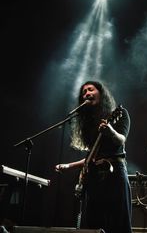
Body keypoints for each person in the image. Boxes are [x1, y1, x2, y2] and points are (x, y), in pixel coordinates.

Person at [55, 80, 133, 233]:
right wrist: (69, 166)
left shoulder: (120, 114)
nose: (87, 94)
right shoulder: (89, 125)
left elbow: (121, 140)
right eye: (84, 92)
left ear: (101, 93)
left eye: (90, 89)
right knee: (94, 225)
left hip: (115, 174)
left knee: (117, 223)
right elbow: (92, 157)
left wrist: (110, 131)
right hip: (94, 178)